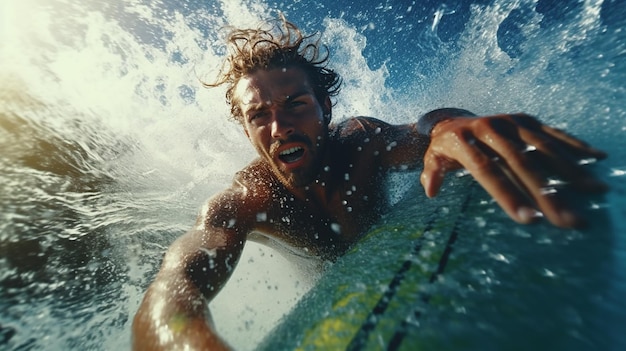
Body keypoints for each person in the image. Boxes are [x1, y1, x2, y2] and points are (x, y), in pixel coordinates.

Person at [132, 18, 607, 350]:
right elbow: (170, 294)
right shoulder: (244, 202)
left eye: (296, 103)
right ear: (247, 130)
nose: (280, 127)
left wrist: (449, 128)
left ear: (326, 109)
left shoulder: (361, 144)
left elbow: (421, 130)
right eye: (259, 115)